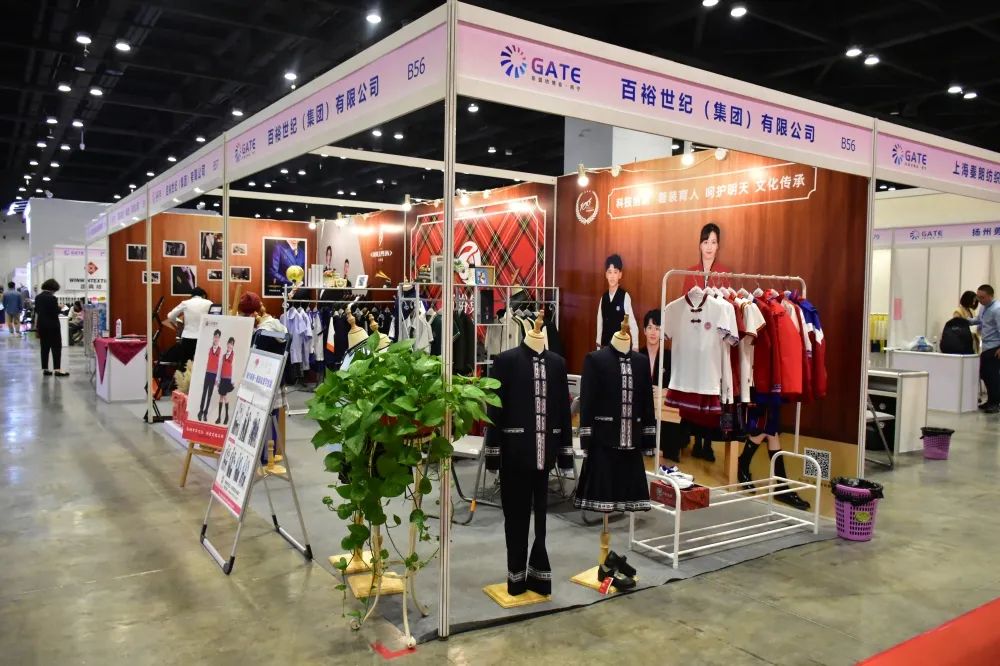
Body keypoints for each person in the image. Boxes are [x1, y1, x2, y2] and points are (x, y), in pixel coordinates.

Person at [595, 254, 638, 350]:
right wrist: (598, 347)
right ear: (606, 275)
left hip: (620, 347)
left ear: (620, 275)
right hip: (605, 347)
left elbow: (632, 323)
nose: (612, 276)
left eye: (615, 272)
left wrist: (635, 346)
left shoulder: (625, 296)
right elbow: (599, 323)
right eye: (609, 272)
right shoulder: (603, 297)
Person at [969, 284, 1000, 413]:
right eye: (978, 297)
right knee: (985, 374)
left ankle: (995, 403)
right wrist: (964, 321)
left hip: (995, 347)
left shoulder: (997, 309)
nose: (979, 300)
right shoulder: (984, 307)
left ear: (990, 296)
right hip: (986, 347)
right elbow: (979, 320)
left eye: (982, 297)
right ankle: (991, 401)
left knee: (992, 376)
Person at [167, 286, 212, 363]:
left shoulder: (185, 303)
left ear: (192, 295)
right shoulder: (209, 303)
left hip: (187, 337)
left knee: (186, 363)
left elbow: (170, 316)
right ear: (203, 295)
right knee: (202, 363)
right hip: (203, 337)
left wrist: (177, 323)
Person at [683, 222, 732, 293]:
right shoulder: (690, 273)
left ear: (717, 246)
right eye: (706, 242)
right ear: (700, 245)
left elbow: (728, 299)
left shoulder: (725, 273)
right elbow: (684, 299)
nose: (709, 247)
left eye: (713, 242)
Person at [35, 279, 67, 376]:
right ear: (53, 289)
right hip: (53, 325)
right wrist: (60, 307)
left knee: (44, 347)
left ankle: (45, 369)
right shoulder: (52, 298)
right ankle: (57, 369)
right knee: (56, 347)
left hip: (42, 325)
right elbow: (54, 312)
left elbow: (37, 311)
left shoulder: (38, 297)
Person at [197, 329, 222, 422]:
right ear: (213, 337)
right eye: (215, 336)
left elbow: (219, 365)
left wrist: (217, 378)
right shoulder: (209, 348)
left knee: (209, 395)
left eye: (218, 337)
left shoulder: (220, 350)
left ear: (219, 338)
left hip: (214, 375)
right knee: (204, 393)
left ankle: (205, 412)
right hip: (207, 373)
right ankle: (200, 411)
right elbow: (205, 361)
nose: (216, 338)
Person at [215, 337, 236, 425]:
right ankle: (220, 417)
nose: (230, 345)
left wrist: (233, 381)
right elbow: (220, 368)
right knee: (221, 397)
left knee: (224, 396)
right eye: (229, 343)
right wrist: (217, 379)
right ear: (227, 344)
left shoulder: (233, 355)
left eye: (232, 344)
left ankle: (225, 416)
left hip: (228, 379)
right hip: (222, 379)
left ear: (233, 346)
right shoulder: (223, 356)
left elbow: (233, 368)